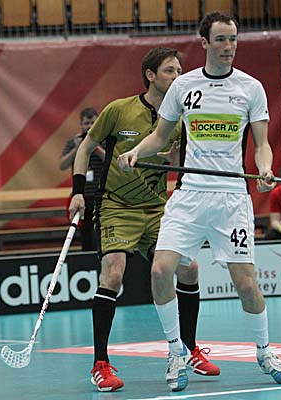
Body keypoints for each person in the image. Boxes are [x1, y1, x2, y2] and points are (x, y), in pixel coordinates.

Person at [118, 12, 281, 392]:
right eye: (221, 40)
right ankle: (175, 352)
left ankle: (265, 352)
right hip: (190, 195)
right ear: (205, 43)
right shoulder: (184, 86)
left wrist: (265, 168)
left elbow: (262, 145)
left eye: (233, 39)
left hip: (231, 199)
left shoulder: (251, 88)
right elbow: (160, 137)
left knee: (246, 284)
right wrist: (135, 151)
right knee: (160, 270)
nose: (228, 47)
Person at [68, 47, 219, 393]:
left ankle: (189, 350)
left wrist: (181, 176)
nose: (177, 77)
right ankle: (101, 364)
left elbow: (183, 164)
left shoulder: (180, 119)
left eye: (179, 70)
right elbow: (85, 148)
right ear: (150, 75)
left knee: (189, 269)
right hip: (117, 206)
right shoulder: (119, 110)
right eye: (169, 71)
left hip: (157, 209)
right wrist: (77, 192)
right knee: (113, 273)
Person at [60, 108, 103, 251]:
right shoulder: (74, 141)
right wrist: (79, 149)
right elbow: (62, 165)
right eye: (86, 123)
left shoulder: (103, 140)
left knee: (100, 230)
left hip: (100, 194)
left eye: (93, 123)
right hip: (81, 195)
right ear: (81, 124)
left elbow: (112, 161)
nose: (89, 126)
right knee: (85, 232)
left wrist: (96, 148)